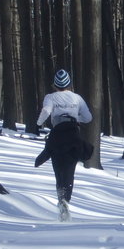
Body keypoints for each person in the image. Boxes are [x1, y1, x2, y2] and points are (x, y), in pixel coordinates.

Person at [34, 69, 93, 221]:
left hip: (57, 136)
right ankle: (66, 200)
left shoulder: (50, 97)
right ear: (69, 83)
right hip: (73, 135)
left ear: (55, 85)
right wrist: (75, 116)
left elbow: (46, 111)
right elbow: (88, 117)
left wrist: (39, 123)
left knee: (58, 172)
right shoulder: (77, 98)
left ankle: (61, 200)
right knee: (69, 172)